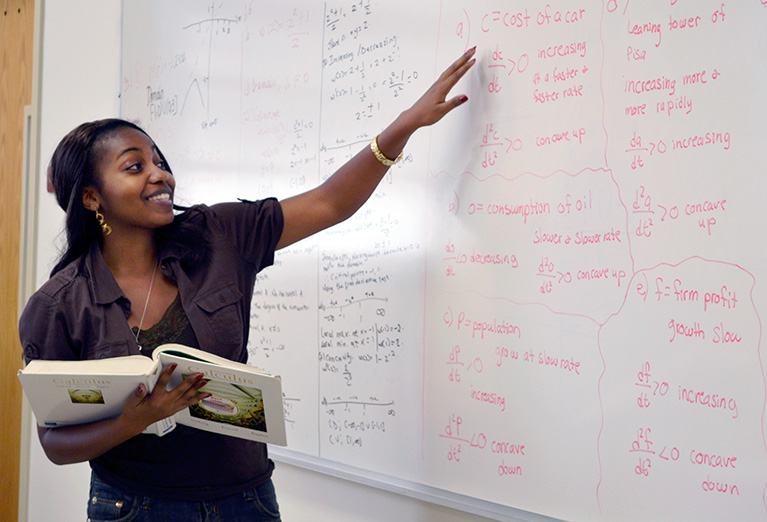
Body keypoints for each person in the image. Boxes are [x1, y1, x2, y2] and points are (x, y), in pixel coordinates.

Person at [18, 48, 476, 522]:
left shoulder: (220, 235)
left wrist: (403, 127)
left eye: (159, 161)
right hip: (133, 505)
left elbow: (329, 203)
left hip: (244, 499)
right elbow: (55, 443)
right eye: (135, 167)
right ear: (92, 198)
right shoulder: (57, 306)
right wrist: (134, 420)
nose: (160, 174)